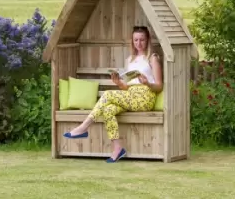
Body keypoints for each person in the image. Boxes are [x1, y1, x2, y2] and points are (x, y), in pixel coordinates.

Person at [63, 26, 163, 163]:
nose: (139, 43)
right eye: (136, 40)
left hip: (145, 97)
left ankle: (84, 127)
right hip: (130, 95)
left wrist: (147, 83)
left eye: (142, 40)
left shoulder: (152, 58)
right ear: (132, 41)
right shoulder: (130, 60)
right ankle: (117, 149)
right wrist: (118, 82)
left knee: (108, 94)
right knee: (108, 110)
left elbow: (159, 86)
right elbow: (126, 86)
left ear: (148, 40)